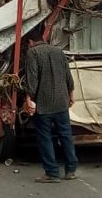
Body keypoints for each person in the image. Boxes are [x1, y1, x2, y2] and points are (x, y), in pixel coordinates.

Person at [24, 38, 79, 183]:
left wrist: (29, 98)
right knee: (66, 135)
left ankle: (52, 173)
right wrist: (71, 95)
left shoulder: (32, 53)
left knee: (45, 137)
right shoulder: (58, 51)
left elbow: (32, 79)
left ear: (31, 41)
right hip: (61, 101)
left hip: (44, 103)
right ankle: (71, 170)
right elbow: (68, 76)